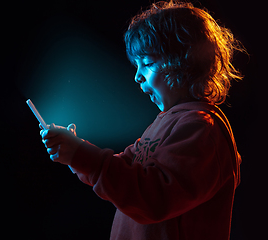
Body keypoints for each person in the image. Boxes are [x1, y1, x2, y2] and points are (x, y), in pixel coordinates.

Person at [40, 1, 244, 239]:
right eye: (137, 65)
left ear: (183, 62)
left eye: (147, 63)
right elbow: (125, 170)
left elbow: (153, 198)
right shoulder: (165, 123)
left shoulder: (201, 129)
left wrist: (81, 155)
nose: (137, 76)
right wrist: (76, 152)